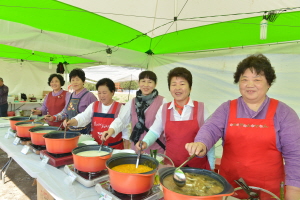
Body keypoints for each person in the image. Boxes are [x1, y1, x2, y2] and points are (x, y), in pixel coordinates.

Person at [186, 54, 300, 200]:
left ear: (268, 83)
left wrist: (294, 191)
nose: (250, 84)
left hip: (269, 193)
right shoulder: (227, 108)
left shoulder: (284, 113)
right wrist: (201, 142)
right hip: (230, 190)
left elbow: (295, 156)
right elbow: (211, 128)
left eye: (257, 80)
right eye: (244, 79)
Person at [135, 67, 214, 170]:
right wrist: (145, 142)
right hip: (171, 166)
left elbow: (210, 137)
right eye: (173, 84)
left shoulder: (201, 108)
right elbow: (155, 131)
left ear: (190, 87)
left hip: (197, 168)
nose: (177, 88)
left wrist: (211, 166)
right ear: (169, 88)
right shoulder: (164, 109)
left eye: (182, 84)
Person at [101, 71, 167, 154]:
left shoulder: (162, 101)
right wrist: (110, 130)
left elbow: (163, 127)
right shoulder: (132, 102)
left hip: (155, 149)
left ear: (155, 84)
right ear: (139, 83)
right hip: (136, 147)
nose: (146, 85)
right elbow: (122, 120)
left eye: (150, 82)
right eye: (143, 81)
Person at [63, 78, 130, 149]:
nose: (101, 96)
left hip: (114, 148)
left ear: (112, 92)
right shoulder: (94, 105)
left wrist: (126, 150)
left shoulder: (121, 108)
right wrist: (71, 122)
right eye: (99, 93)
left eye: (104, 93)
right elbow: (83, 117)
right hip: (96, 147)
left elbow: (126, 131)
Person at [45, 68, 97, 134]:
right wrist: (54, 118)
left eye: (77, 80)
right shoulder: (70, 95)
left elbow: (95, 117)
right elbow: (65, 112)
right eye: (72, 80)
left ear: (83, 81)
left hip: (85, 132)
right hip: (71, 131)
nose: (75, 82)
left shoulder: (90, 96)